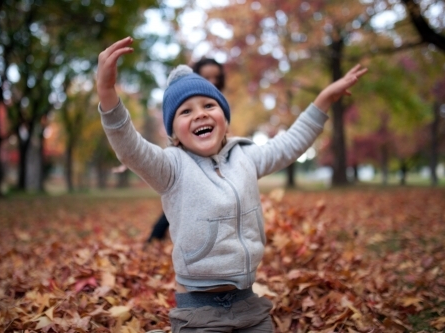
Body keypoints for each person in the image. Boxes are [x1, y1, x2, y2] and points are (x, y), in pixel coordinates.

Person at [96, 36, 367, 333]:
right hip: (199, 310)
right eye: (185, 112)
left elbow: (291, 143)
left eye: (208, 105)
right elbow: (129, 146)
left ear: (223, 116)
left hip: (248, 301)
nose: (199, 113)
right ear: (174, 133)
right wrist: (107, 92)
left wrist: (324, 99)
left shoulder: (246, 156)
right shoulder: (170, 167)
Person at [147, 57, 226, 243]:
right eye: (207, 77)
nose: (212, 81)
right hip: (188, 165)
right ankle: (155, 237)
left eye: (216, 77)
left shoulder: (219, 102)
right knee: (181, 201)